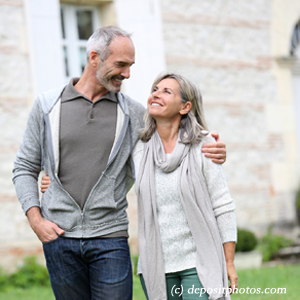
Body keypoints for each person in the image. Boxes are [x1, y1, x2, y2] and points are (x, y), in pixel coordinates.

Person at [13, 25, 227, 300]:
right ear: (94, 58)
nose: (127, 74)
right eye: (121, 65)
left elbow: (170, 144)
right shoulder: (46, 106)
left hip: (109, 237)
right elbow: (24, 167)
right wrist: (35, 219)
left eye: (131, 66)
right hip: (58, 237)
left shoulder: (135, 114)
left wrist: (209, 146)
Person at [133, 74, 238, 300]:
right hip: (156, 264)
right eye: (155, 89)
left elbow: (223, 205)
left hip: (198, 261)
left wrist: (228, 262)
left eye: (166, 91)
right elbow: (109, 178)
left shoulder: (204, 145)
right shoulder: (139, 149)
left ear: (185, 106)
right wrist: (52, 182)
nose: (155, 94)